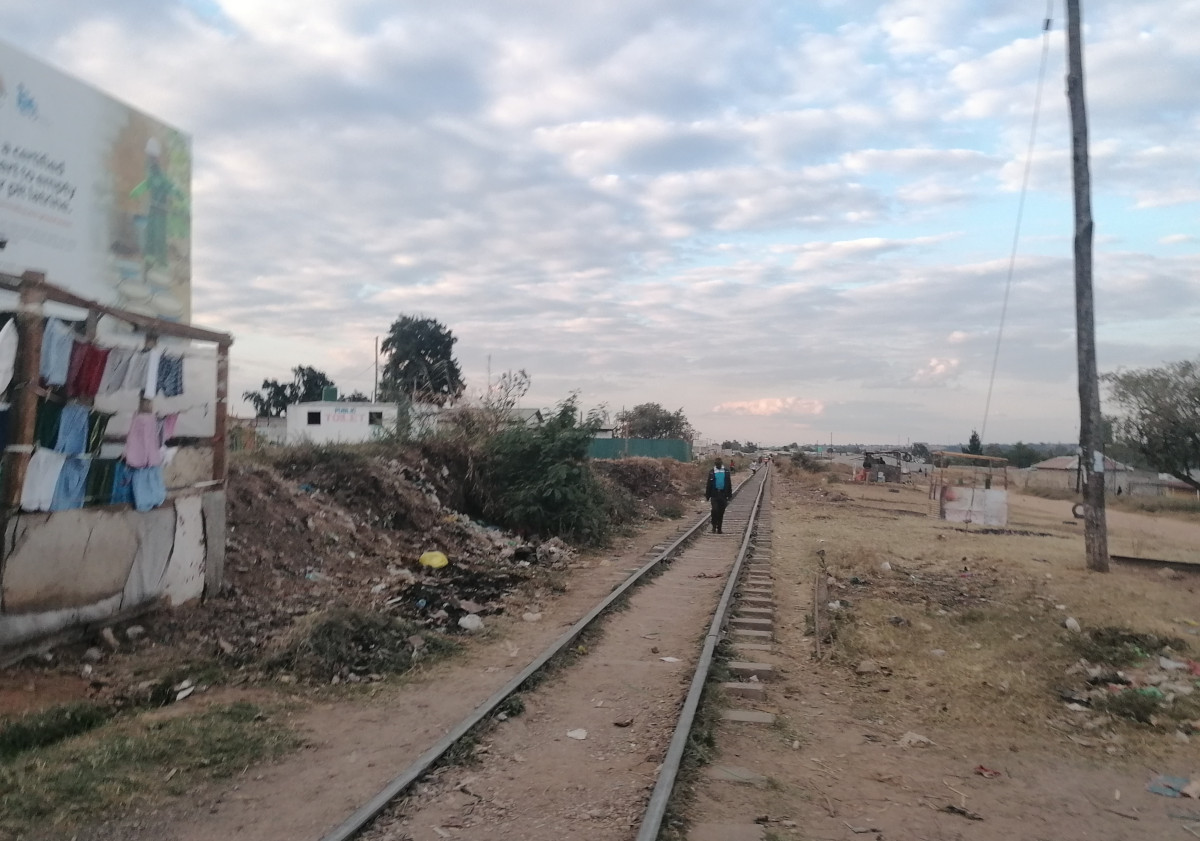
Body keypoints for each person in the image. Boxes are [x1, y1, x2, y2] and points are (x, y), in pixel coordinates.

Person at [706, 458, 734, 534]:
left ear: (721, 463)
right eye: (716, 463)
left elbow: (729, 483)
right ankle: (714, 526)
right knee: (714, 510)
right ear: (715, 464)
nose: (717, 464)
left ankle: (719, 528)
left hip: (723, 494)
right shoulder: (712, 472)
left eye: (719, 463)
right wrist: (707, 495)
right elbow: (709, 484)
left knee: (721, 512)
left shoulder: (726, 471)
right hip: (714, 494)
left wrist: (729, 494)